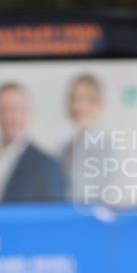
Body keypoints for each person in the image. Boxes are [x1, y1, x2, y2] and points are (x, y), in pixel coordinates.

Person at [0, 82, 64, 202]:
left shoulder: (46, 165)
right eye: (3, 110)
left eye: (16, 110)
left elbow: (52, 215)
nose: (10, 117)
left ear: (28, 114)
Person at [59, 73, 107, 202]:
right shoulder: (64, 148)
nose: (77, 106)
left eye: (84, 99)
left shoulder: (111, 149)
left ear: (98, 104)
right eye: (73, 99)